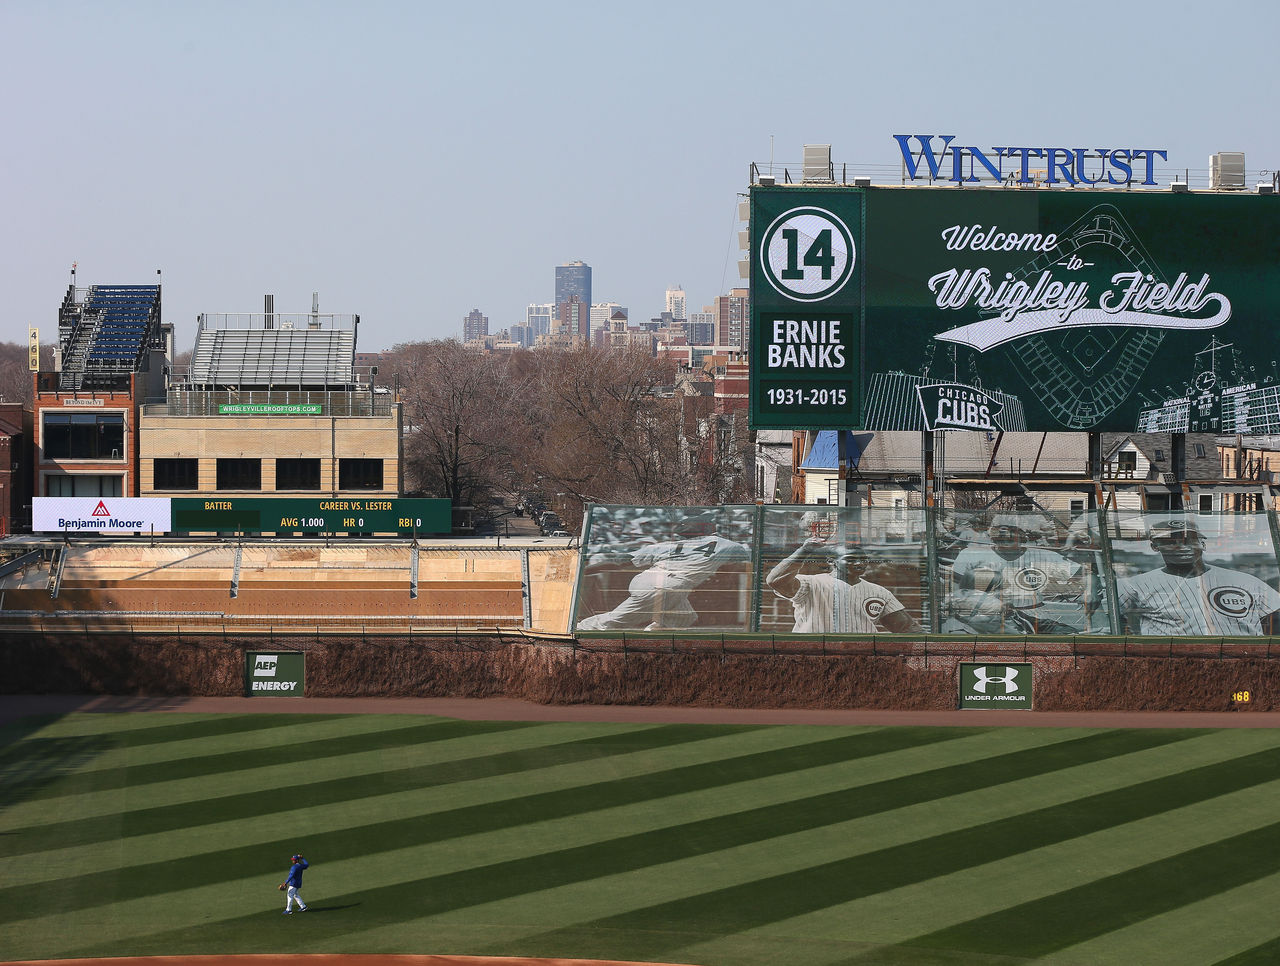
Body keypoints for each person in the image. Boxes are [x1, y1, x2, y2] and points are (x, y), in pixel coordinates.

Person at [576, 515, 750, 630]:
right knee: (616, 621)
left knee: (685, 618)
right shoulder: (723, 543)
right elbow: (746, 560)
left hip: (646, 579)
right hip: (669, 587)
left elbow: (620, 562)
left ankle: (651, 641)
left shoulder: (668, 545)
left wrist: (584, 570)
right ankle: (579, 628)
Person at [1117, 518, 1280, 636]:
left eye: (1189, 540)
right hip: (1172, 668)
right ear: (1155, 546)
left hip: (1243, 665)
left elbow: (1275, 620)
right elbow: (1112, 625)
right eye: (1171, 541)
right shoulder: (1134, 585)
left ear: (1203, 544)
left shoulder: (1245, 581)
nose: (1182, 547)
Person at [944, 512, 1086, 634]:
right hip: (989, 618)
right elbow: (957, 593)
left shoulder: (1043, 555)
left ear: (1024, 534)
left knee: (1070, 636)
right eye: (1000, 531)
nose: (1006, 536)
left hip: (1035, 614)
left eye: (1013, 531)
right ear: (992, 533)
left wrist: (1090, 588)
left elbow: (1082, 574)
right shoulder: (971, 554)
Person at [766, 536, 922, 634]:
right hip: (813, 656)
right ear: (831, 561)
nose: (860, 563)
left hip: (860, 659)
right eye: (851, 559)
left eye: (863, 559)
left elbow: (907, 629)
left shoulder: (879, 592)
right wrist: (803, 551)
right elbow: (775, 580)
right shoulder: (811, 583)